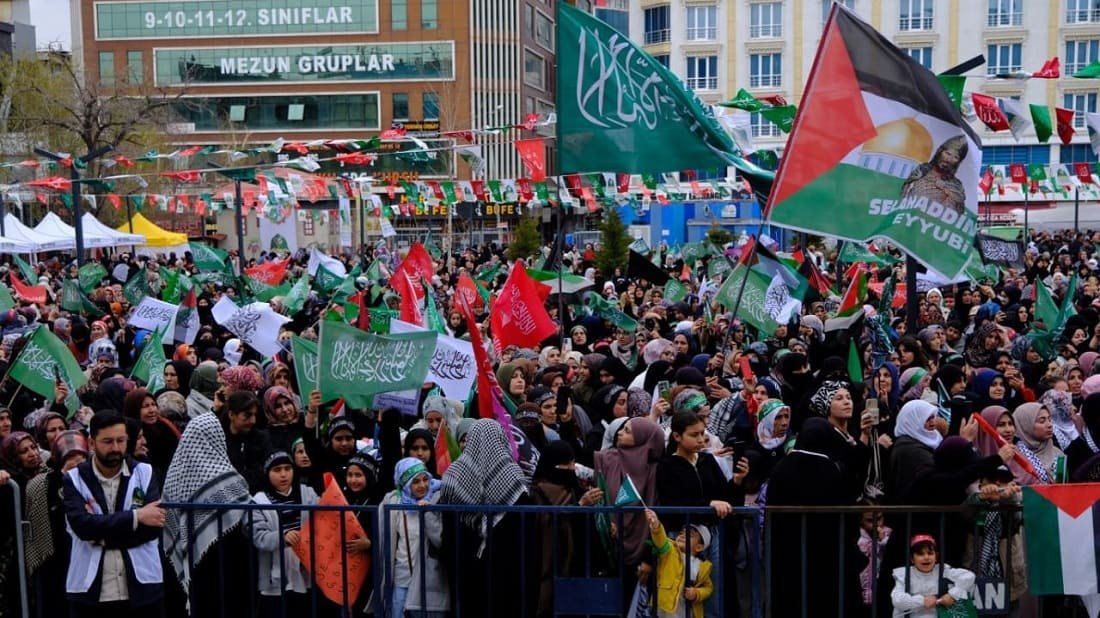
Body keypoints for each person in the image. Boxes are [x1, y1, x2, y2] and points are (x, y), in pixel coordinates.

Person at [62, 412, 165, 618]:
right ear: (92, 443)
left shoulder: (145, 473)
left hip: (142, 586)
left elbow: (151, 528)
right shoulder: (75, 479)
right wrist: (135, 517)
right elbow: (82, 526)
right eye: (108, 442)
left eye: (121, 440)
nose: (116, 448)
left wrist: (100, 534)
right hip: (90, 591)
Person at [439, 419, 534, 617]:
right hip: (505, 563)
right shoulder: (513, 475)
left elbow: (446, 521)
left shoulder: (454, 474)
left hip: (464, 559)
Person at [162, 412, 252, 618]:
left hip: (195, 557)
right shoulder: (224, 475)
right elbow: (244, 501)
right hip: (226, 559)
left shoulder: (174, 475)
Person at [249, 450, 319, 617]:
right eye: (277, 470)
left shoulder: (307, 494)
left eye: (288, 468)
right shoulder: (258, 501)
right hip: (275, 578)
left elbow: (323, 520)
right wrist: (282, 537)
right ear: (267, 473)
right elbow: (259, 536)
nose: (283, 475)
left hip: (304, 573)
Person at [380, 457, 448, 618]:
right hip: (402, 577)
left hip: (428, 582)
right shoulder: (395, 503)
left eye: (426, 479)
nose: (423, 485)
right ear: (405, 484)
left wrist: (429, 512)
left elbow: (439, 539)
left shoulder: (437, 499)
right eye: (415, 481)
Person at [644, 508, 714, 618]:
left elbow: (708, 588)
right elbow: (660, 540)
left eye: (689, 535)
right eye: (681, 532)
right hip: (665, 610)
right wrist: (656, 525)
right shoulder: (669, 550)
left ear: (699, 547)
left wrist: (697, 593)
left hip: (688, 612)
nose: (682, 535)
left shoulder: (702, 566)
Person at [890, 535, 975, 617]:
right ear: (912, 559)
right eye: (920, 554)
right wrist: (922, 601)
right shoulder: (905, 574)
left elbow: (969, 576)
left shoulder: (942, 570)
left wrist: (952, 595)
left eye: (930, 553)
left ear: (936, 557)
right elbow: (897, 600)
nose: (926, 557)